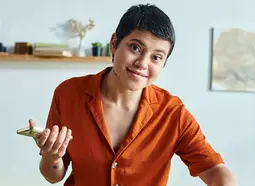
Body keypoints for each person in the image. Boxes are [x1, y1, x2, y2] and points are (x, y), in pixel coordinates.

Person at [29, 3, 237, 186]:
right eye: (136, 47)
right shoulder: (68, 94)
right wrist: (51, 155)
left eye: (156, 57)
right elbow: (53, 176)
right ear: (114, 44)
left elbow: (213, 170)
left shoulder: (172, 112)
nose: (142, 63)